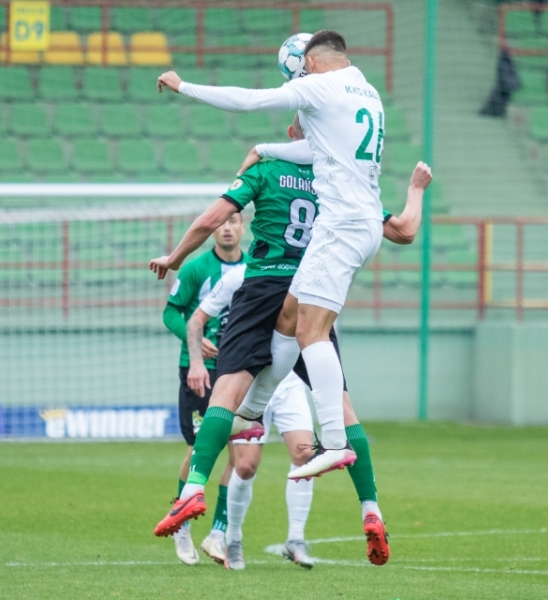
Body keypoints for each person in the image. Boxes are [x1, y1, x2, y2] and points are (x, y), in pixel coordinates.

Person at [150, 112, 431, 566]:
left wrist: (176, 257)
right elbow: (404, 231)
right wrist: (416, 190)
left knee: (227, 396)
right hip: (311, 294)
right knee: (341, 408)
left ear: (291, 132)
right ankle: (371, 508)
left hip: (262, 286)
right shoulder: (341, 179)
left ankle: (194, 489)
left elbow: (212, 217)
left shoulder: (266, 169)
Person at [156, 30, 387, 486]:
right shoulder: (368, 93)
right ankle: (256, 414)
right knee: (294, 322)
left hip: (337, 228)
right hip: (366, 223)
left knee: (310, 331)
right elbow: (319, 150)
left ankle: (334, 442)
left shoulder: (319, 85)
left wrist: (184, 86)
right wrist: (266, 149)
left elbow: (249, 100)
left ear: (310, 64)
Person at [187, 263, 316, 570]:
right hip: (248, 379)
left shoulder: (303, 274)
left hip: (288, 382)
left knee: (305, 455)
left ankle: (296, 539)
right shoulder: (240, 276)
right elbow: (197, 319)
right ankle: (233, 539)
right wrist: (196, 357)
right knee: (245, 466)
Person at [161, 214, 246, 565]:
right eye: (221, 222)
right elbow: (171, 313)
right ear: (212, 229)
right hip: (200, 372)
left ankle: (218, 534)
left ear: (243, 227)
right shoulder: (196, 269)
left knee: (240, 455)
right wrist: (194, 346)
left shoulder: (255, 267)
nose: (226, 227)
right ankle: (181, 526)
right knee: (198, 449)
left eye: (234, 221)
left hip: (239, 371)